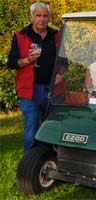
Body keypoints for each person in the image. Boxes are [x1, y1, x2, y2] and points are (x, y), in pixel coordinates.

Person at [7, 2, 61, 153]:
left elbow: (64, 61)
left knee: (51, 128)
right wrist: (28, 60)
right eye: (38, 16)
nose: (42, 19)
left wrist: (60, 74)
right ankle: (29, 166)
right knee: (32, 130)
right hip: (29, 90)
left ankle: (47, 161)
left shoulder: (56, 35)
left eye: (45, 16)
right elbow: (11, 63)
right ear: (31, 17)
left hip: (52, 89)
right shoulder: (20, 35)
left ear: (49, 18)